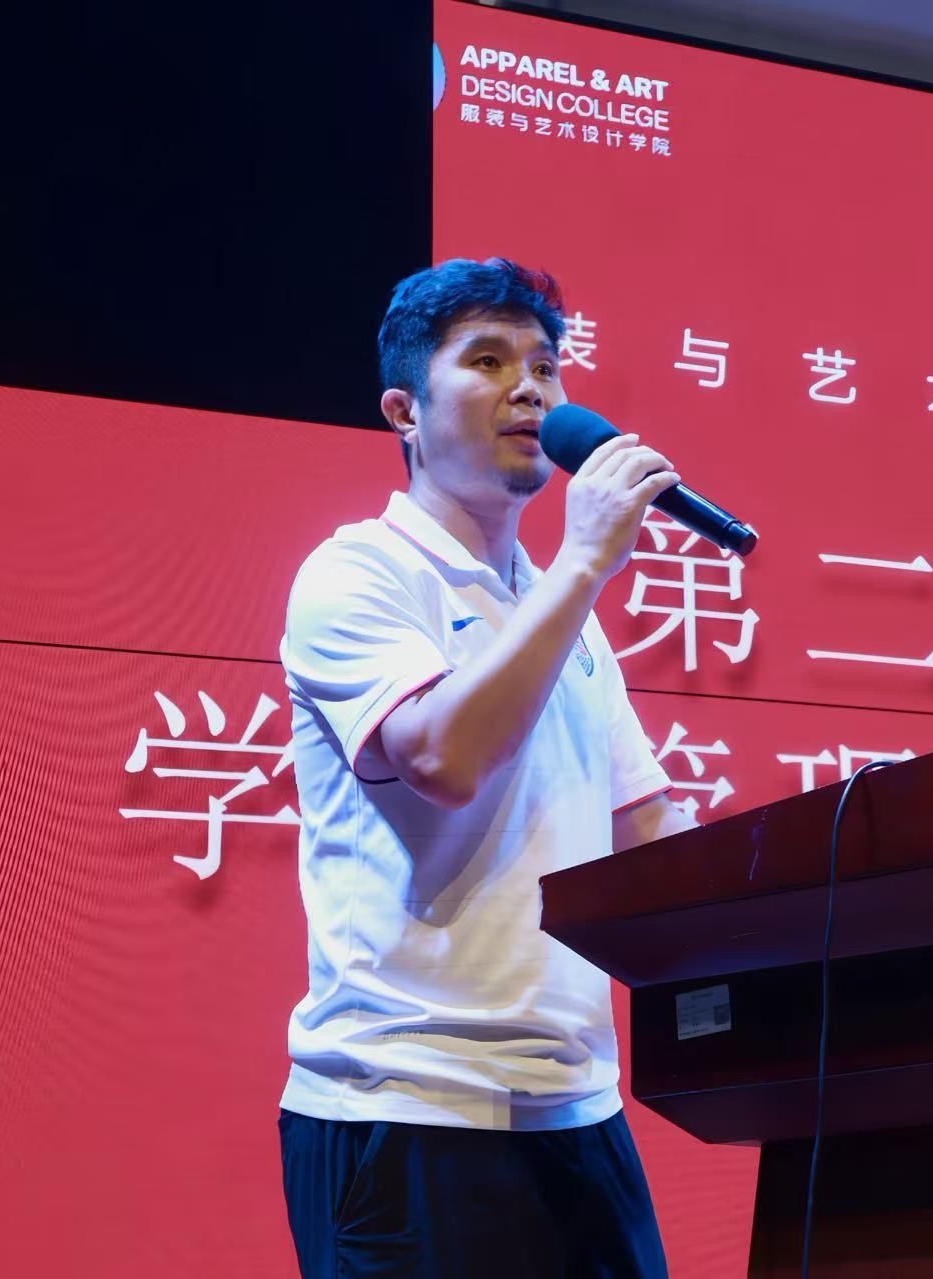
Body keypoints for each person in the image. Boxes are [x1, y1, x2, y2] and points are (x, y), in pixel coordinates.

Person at [275, 258, 698, 1277]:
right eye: (489, 361)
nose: (531, 390)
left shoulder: (559, 612)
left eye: (545, 366)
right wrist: (586, 563)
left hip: (578, 1108)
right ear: (403, 411)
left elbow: (647, 834)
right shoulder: (358, 571)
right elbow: (444, 756)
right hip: (405, 1107)